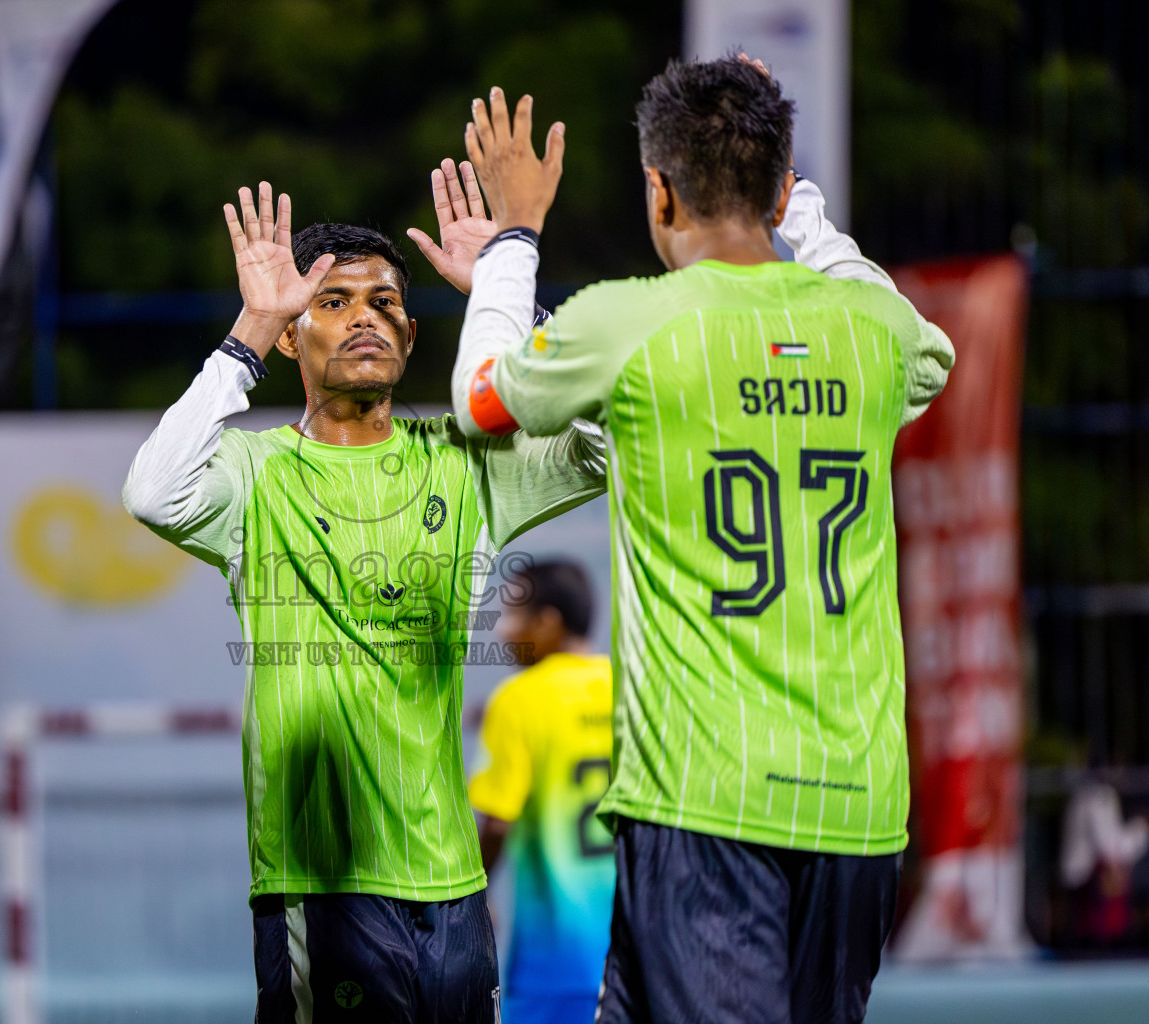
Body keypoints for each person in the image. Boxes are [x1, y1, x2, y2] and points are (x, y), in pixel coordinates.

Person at [452, 58, 955, 1024]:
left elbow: (484, 404)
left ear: (659, 189)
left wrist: (513, 242)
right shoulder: (877, 329)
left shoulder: (629, 321)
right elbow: (916, 338)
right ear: (781, 184)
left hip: (708, 802)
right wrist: (797, 205)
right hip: (858, 810)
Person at [122, 164, 609, 1022]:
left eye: (384, 303)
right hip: (322, 886)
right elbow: (152, 492)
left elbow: (615, 440)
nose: (364, 319)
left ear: (414, 336)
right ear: (290, 336)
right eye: (335, 301)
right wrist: (247, 328)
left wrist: (506, 288)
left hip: (455, 888)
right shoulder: (252, 473)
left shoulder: (467, 460)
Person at [467, 560, 613, 1024]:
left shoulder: (519, 699)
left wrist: (470, 902)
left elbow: (497, 822)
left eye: (513, 616)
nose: (503, 633)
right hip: (637, 949)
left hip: (553, 959)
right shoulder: (630, 690)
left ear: (547, 623)